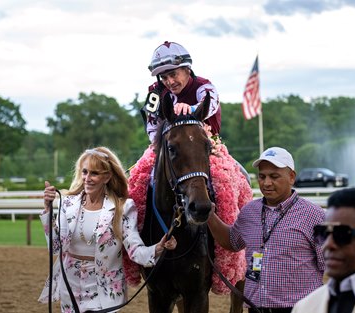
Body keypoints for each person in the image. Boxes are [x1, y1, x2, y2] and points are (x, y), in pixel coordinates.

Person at [38, 147, 177, 312]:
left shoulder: (123, 208)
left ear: (107, 177)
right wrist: (48, 211)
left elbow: (135, 250)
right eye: (84, 172)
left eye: (94, 173)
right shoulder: (67, 204)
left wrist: (158, 248)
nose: (87, 178)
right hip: (70, 286)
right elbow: (55, 247)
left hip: (105, 289)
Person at [207, 146, 326, 313]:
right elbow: (232, 241)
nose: (266, 183)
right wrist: (210, 216)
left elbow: (329, 264)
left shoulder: (313, 215)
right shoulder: (249, 211)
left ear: (292, 177)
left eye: (274, 176)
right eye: (262, 177)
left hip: (299, 308)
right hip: (256, 308)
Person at [143, 40, 221, 143]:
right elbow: (152, 127)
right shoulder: (155, 92)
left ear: (187, 70)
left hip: (207, 146)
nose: (169, 82)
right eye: (164, 77)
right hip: (169, 147)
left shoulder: (204, 86)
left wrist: (191, 109)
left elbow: (210, 105)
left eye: (173, 74)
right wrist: (160, 144)